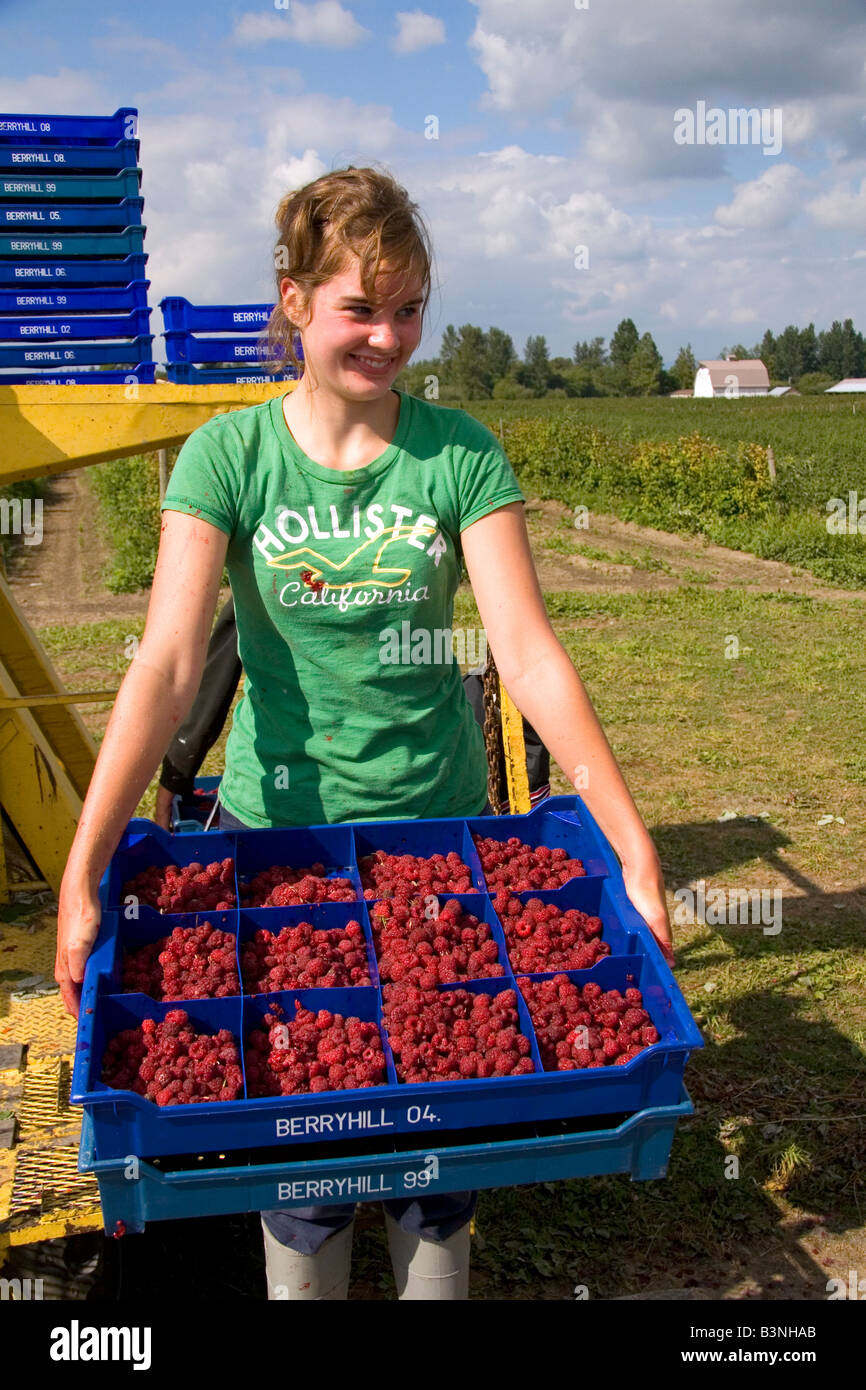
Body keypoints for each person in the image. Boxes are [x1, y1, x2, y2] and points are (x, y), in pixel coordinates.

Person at [56, 163, 674, 1300]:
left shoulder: (457, 454)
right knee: (303, 1154)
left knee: (442, 1153)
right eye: (358, 306)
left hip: (438, 849)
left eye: (407, 307)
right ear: (292, 300)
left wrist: (628, 839)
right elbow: (167, 662)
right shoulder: (228, 459)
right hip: (276, 846)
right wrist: (84, 867)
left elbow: (528, 655)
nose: (386, 336)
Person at [153, 592, 550, 829]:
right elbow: (205, 658)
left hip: (434, 801)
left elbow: (525, 651)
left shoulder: (446, 467)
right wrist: (177, 769)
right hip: (280, 814)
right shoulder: (266, 518)